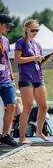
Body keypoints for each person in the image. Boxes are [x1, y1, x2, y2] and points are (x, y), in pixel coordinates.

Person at [14, 19, 53, 144]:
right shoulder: (21, 42)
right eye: (33, 30)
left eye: (37, 30)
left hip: (38, 77)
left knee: (43, 107)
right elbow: (17, 59)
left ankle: (39, 132)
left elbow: (38, 63)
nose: (35, 32)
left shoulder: (37, 45)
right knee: (28, 107)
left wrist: (46, 59)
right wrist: (34, 58)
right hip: (26, 78)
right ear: (26, 29)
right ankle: (22, 137)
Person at [0, 14, 17, 146]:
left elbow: (7, 60)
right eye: (7, 26)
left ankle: (5, 135)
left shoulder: (5, 40)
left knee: (12, 106)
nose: (8, 29)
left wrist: (12, 76)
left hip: (5, 79)